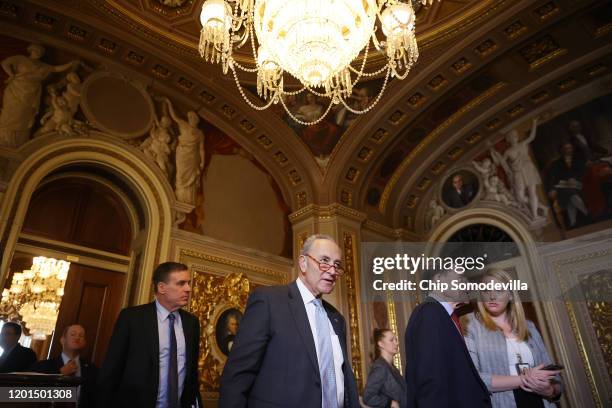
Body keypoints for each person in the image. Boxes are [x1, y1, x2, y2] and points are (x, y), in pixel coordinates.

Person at [219, 234, 360, 408]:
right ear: (303, 263)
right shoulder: (269, 302)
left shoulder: (337, 319)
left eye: (337, 265)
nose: (332, 271)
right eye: (324, 261)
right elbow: (237, 377)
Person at [97, 262, 202, 408]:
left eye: (188, 283)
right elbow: (111, 370)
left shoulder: (191, 323)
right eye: (181, 283)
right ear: (161, 287)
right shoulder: (132, 318)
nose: (188, 289)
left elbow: (191, 373)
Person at [464, 269, 563, 407]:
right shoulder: (469, 325)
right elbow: (473, 379)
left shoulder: (529, 327)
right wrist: (525, 379)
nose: (492, 296)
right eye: (486, 290)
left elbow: (556, 383)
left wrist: (549, 390)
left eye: (499, 290)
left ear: (510, 295)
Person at [404, 268, 491, 408]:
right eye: (461, 278)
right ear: (439, 280)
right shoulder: (429, 313)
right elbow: (430, 382)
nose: (468, 284)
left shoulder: (443, 316)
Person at [0, 44, 78, 147]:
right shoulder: (21, 59)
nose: (38, 53)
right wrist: (11, 75)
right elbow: (5, 63)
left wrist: (71, 63)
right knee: (11, 111)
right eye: (37, 51)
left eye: (41, 52)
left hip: (32, 94)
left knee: (26, 115)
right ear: (31, 50)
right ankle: (4, 138)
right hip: (17, 88)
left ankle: (19, 141)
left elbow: (56, 69)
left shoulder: (43, 66)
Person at [30, 324, 98, 407]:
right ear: (63, 340)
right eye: (73, 334)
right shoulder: (42, 366)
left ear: (84, 343)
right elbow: (27, 394)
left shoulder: (92, 370)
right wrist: (59, 374)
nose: (77, 338)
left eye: (81, 336)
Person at [490, 118, 544, 219]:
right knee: (519, 196)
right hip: (517, 172)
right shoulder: (508, 151)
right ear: (509, 139)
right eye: (513, 136)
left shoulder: (522, 144)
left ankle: (535, 215)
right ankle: (535, 207)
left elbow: (532, 137)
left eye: (516, 135)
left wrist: (534, 123)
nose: (515, 137)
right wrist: (493, 153)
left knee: (532, 191)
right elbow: (500, 162)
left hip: (528, 169)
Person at [165, 99, 205, 206]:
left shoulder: (200, 133)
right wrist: (168, 103)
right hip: (182, 154)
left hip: (193, 157)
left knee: (190, 178)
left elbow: (201, 149)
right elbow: (174, 117)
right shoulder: (183, 125)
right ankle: (179, 195)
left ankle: (186, 199)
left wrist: (202, 162)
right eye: (190, 118)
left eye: (193, 118)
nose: (191, 119)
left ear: (196, 120)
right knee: (180, 175)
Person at [546, 141, 588, 227]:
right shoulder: (556, 163)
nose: (568, 150)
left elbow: (583, 172)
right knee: (570, 195)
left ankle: (579, 218)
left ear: (572, 149)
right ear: (561, 150)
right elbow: (552, 178)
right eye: (565, 148)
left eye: (569, 148)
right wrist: (551, 189)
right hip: (563, 187)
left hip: (579, 184)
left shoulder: (578, 160)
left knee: (570, 197)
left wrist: (575, 178)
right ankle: (582, 216)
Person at [363, 329, 407, 408]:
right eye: (391, 340)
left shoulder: (392, 367)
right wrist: (390, 403)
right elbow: (368, 397)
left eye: (396, 339)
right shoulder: (380, 367)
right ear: (381, 344)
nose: (396, 343)